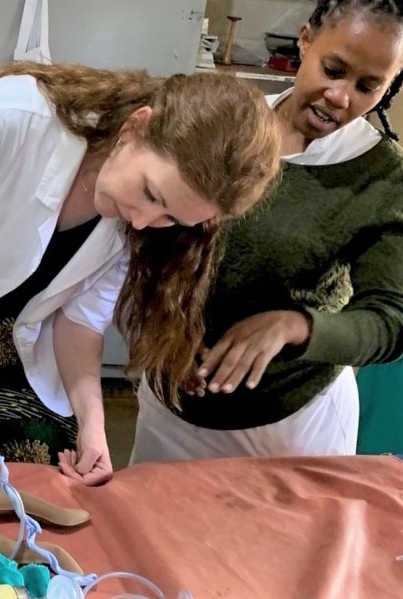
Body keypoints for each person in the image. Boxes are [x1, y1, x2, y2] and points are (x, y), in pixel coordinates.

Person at [0, 61, 282, 485]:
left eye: (172, 218)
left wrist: (94, 422)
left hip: (18, 359)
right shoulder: (6, 117)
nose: (146, 221)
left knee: (35, 494)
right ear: (135, 127)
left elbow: (81, 321)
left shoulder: (142, 223)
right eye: (150, 193)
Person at [130, 0, 403, 463]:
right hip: (172, 399)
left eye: (367, 86)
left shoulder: (380, 179)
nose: (340, 96)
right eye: (333, 69)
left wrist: (296, 326)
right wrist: (167, 328)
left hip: (289, 422)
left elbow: (390, 320)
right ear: (305, 40)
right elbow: (153, 233)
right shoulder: (225, 127)